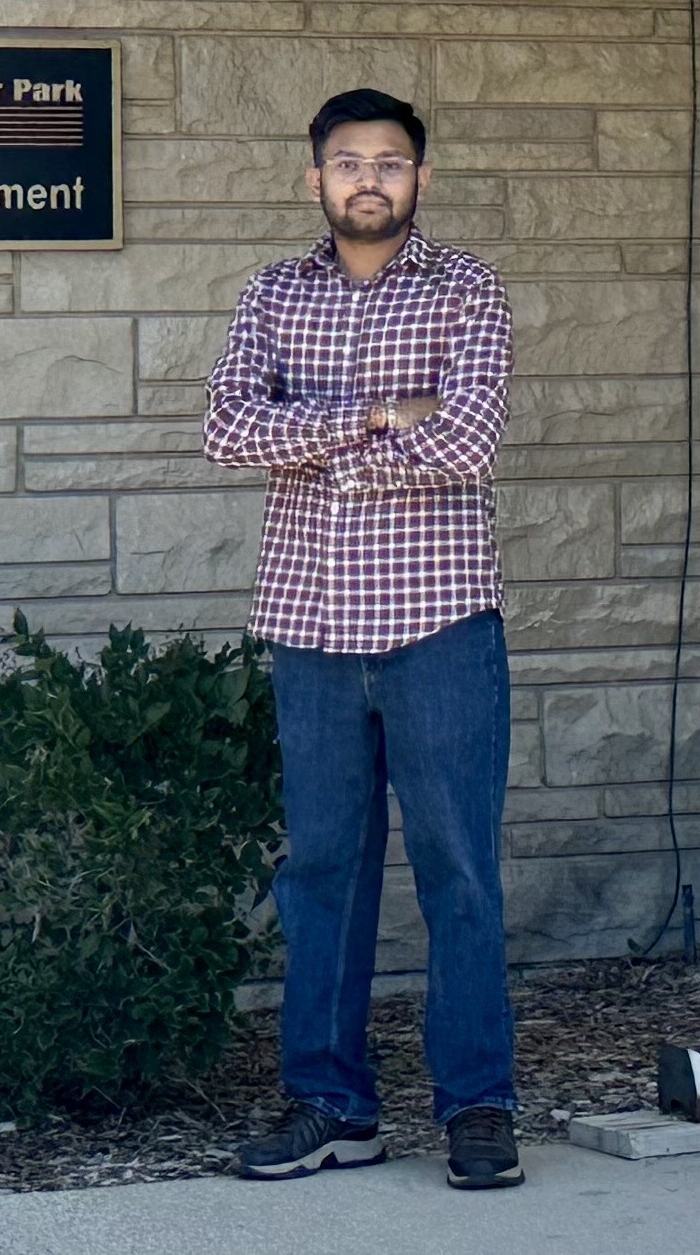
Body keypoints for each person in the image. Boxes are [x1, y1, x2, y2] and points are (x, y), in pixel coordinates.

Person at [203, 88, 522, 1189]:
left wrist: (319, 437)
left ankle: (479, 1109)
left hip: (440, 628)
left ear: (420, 179)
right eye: (349, 163)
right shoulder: (272, 293)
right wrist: (384, 416)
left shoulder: (467, 285)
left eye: (391, 162)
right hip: (311, 628)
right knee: (325, 874)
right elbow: (227, 429)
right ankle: (333, 1106)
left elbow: (473, 437)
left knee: (460, 876)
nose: (370, 179)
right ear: (316, 179)